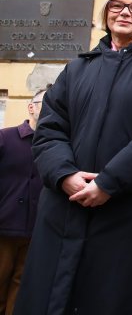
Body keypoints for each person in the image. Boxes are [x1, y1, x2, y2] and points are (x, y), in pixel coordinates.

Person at [16, 0, 132, 315]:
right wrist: (65, 175)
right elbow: (50, 129)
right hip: (65, 205)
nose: (124, 12)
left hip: (127, 208)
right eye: (116, 5)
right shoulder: (78, 66)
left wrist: (108, 183)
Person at [0, 88, 47, 315]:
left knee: (20, 291)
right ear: (31, 107)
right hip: (4, 228)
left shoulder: (54, 147)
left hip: (34, 232)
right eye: (45, 104)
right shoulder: (5, 137)